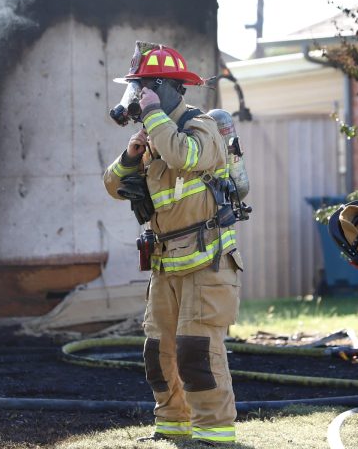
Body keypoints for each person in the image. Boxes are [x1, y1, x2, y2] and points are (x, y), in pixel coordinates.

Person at [102, 42, 243, 445]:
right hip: (166, 265)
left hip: (207, 263)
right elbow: (113, 186)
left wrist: (153, 118)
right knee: (158, 353)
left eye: (143, 86)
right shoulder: (151, 136)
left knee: (196, 352)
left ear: (164, 87)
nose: (136, 95)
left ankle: (213, 434)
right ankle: (172, 428)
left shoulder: (201, 127)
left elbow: (184, 156)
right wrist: (132, 154)